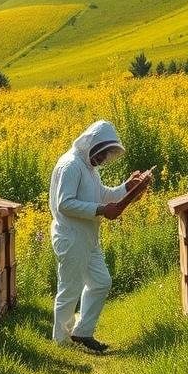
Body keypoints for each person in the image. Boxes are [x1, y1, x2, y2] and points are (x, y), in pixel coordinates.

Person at [48, 120, 145, 352]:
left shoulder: (88, 168)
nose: (103, 159)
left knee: (101, 282)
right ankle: (60, 342)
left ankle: (82, 332)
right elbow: (65, 204)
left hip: (88, 237)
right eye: (101, 154)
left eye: (106, 155)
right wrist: (101, 210)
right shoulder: (70, 165)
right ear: (91, 144)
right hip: (70, 237)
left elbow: (102, 195)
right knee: (69, 288)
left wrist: (127, 187)